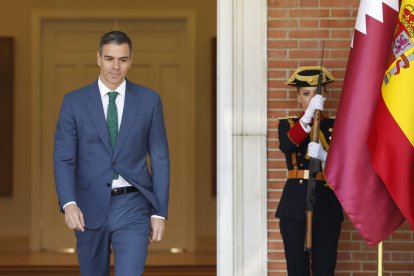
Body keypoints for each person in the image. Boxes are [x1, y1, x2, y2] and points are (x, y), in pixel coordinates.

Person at [53, 30, 170, 276]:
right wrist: (69, 203)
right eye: (109, 58)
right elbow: (64, 158)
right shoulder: (74, 102)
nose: (115, 66)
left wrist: (159, 212)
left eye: (123, 59)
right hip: (88, 206)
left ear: (131, 61)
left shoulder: (149, 101)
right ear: (98, 58)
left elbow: (159, 158)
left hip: (133, 205)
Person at [275, 66, 343, 275]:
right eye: (306, 94)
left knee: (325, 268)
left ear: (325, 97)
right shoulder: (289, 124)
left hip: (326, 203)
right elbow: (287, 146)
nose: (312, 98)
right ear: (298, 98)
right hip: (295, 203)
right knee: (297, 269)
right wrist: (307, 117)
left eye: (316, 94)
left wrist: (325, 157)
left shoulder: (336, 125)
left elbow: (346, 163)